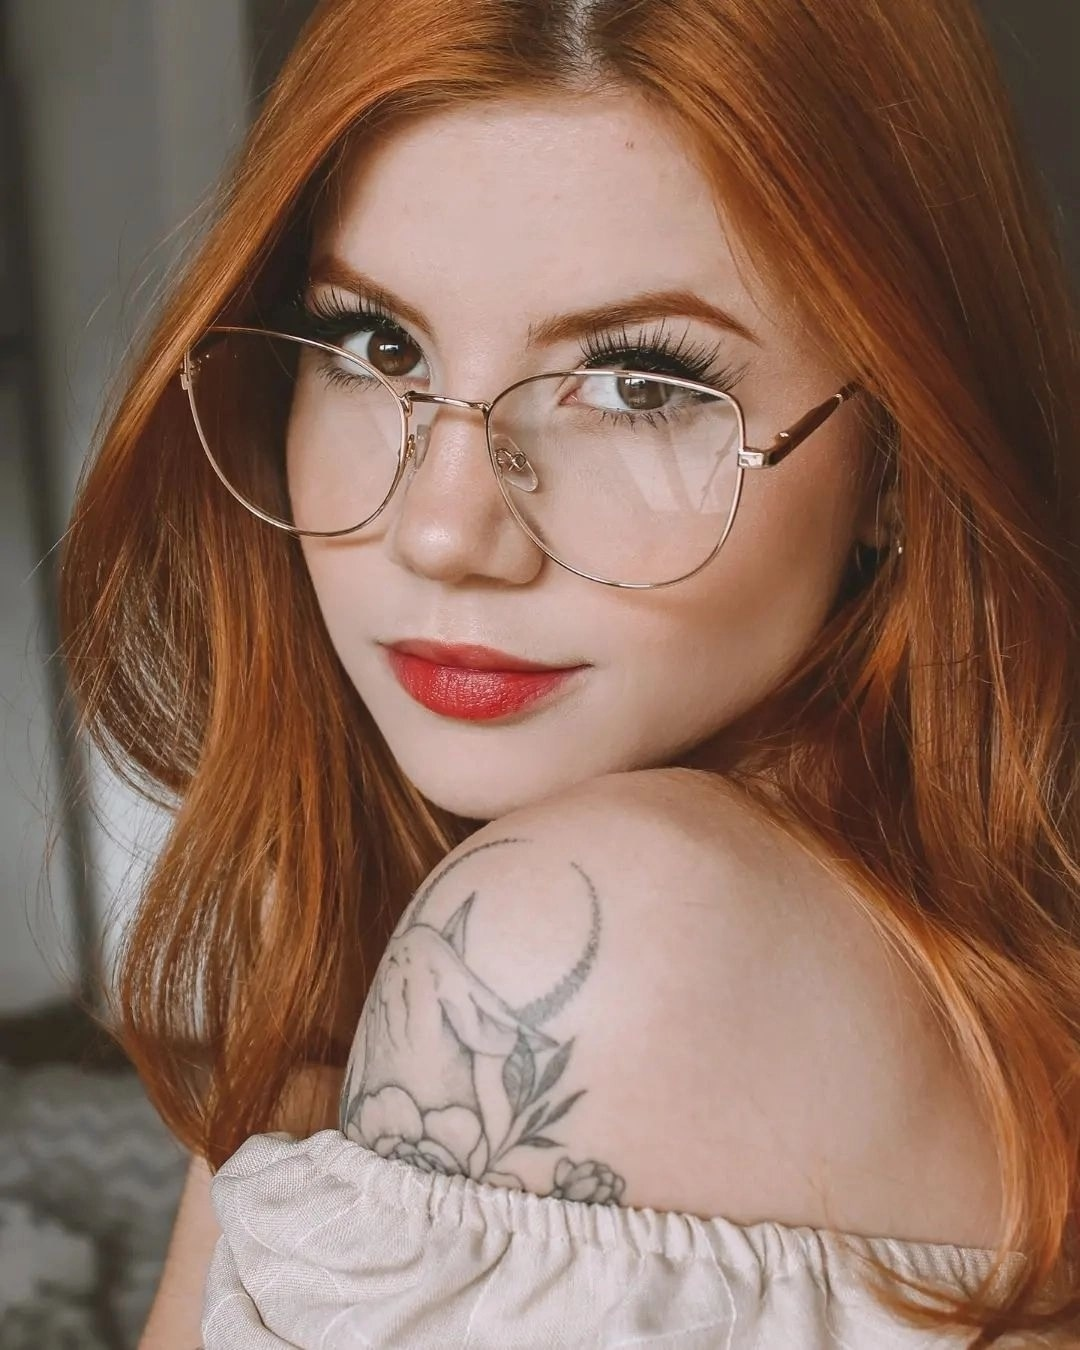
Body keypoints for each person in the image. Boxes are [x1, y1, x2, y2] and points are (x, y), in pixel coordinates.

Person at [59, 0, 1080, 1345]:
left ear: (896, 457)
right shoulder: (914, 918)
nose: (442, 529)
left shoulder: (577, 931)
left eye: (639, 382)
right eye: (377, 347)